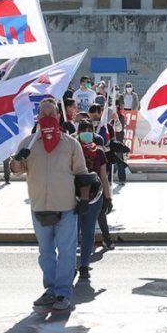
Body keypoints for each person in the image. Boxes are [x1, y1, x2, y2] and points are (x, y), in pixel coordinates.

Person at [11, 98, 89, 311]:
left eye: (51, 115)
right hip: (39, 207)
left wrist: (83, 200)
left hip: (66, 207)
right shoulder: (28, 143)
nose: (47, 118)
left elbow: (82, 174)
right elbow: (16, 169)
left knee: (67, 251)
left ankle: (63, 292)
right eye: (43, 115)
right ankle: (51, 289)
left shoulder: (71, 143)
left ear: (58, 116)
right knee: (45, 253)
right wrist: (18, 157)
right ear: (38, 117)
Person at [75, 120, 113, 280]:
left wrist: (108, 197)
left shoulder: (78, 151)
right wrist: (107, 197)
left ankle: (79, 265)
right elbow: (103, 177)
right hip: (89, 196)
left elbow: (104, 176)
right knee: (85, 232)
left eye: (88, 130)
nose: (86, 132)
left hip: (79, 196)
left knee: (81, 232)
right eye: (83, 130)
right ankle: (83, 264)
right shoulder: (77, 151)